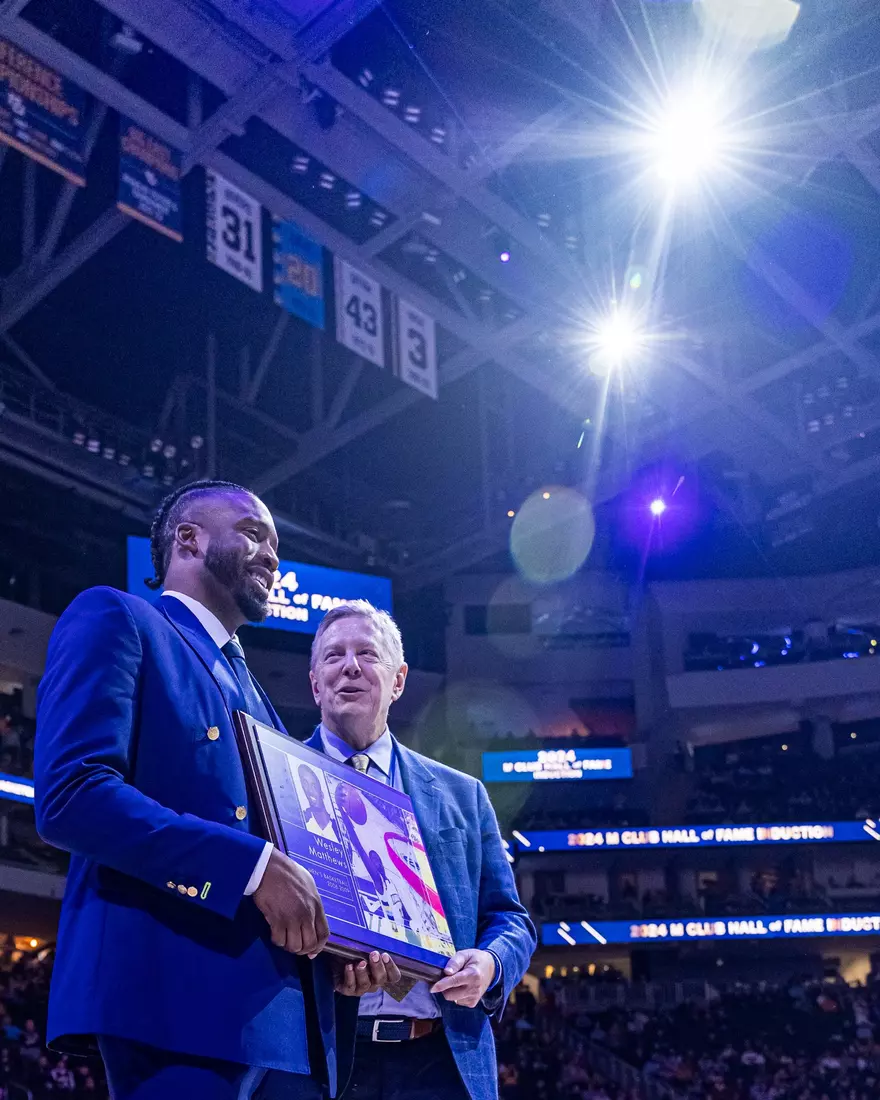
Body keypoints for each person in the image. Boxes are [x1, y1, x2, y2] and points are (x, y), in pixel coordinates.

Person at [34, 480, 396, 1100]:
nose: (272, 555)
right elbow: (73, 793)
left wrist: (345, 946)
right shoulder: (118, 617)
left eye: (275, 544)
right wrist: (249, 867)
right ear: (189, 539)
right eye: (254, 533)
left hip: (290, 1025)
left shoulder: (258, 698)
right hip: (178, 1001)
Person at [306, 600, 536, 1100]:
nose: (350, 666)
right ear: (315, 683)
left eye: (367, 654)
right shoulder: (274, 781)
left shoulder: (462, 795)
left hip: (441, 1062)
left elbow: (511, 919)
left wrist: (490, 965)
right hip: (322, 1060)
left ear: (398, 681)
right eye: (333, 656)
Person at [297, 763, 340, 841]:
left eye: (314, 785)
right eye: (305, 785)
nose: (309, 790)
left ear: (322, 793)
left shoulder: (339, 829)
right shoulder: (301, 821)